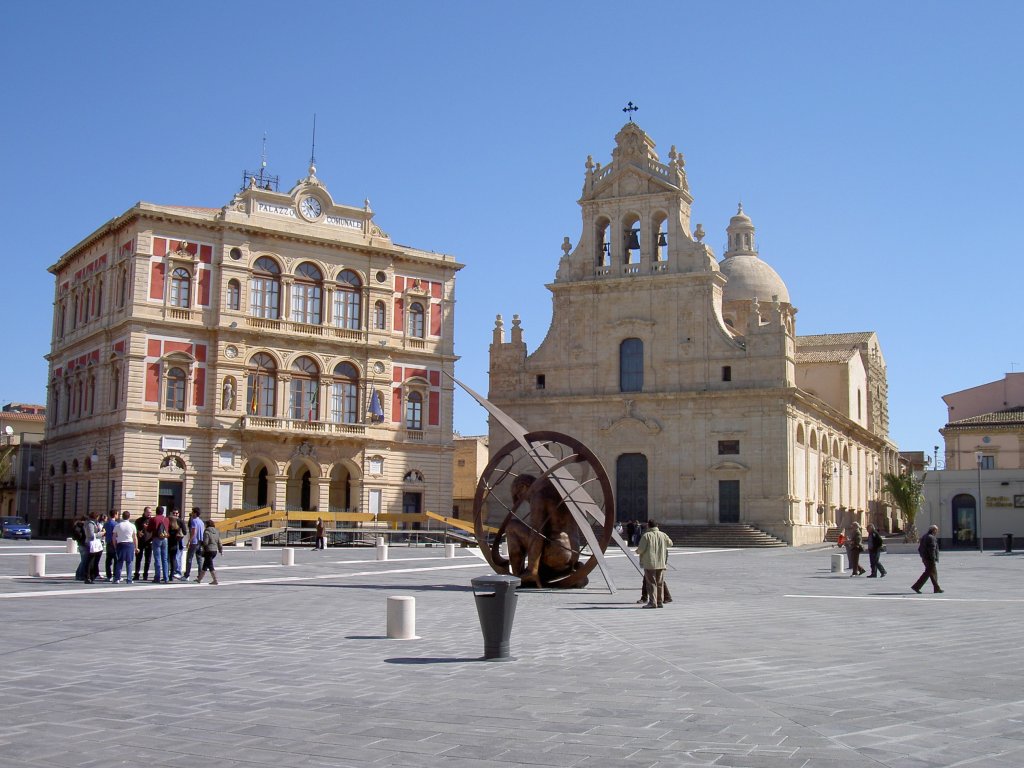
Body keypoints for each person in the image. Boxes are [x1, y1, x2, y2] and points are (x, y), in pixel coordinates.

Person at [636, 520, 673, 608]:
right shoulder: (663, 535)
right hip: (661, 562)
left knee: (651, 583)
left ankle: (653, 602)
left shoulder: (646, 536)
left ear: (648, 526)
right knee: (659, 583)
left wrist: (637, 551)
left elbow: (641, 549)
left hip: (650, 563)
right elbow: (670, 543)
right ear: (656, 525)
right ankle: (659, 602)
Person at [911, 525, 943, 594]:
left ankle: (936, 588)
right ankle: (916, 586)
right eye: (936, 530)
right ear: (933, 530)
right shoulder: (931, 538)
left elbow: (919, 549)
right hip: (930, 559)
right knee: (928, 573)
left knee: (932, 573)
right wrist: (933, 558)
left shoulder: (925, 536)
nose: (937, 532)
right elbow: (932, 549)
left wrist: (922, 556)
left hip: (925, 558)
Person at [113, 511, 138, 584]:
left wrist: (115, 545)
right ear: (129, 517)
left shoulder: (118, 525)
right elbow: (135, 537)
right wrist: (136, 547)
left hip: (120, 544)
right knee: (129, 562)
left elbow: (114, 537)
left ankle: (117, 578)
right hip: (129, 544)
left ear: (122, 516)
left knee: (119, 562)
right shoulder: (132, 525)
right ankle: (129, 579)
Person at [147, 507, 171, 583]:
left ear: (156, 511)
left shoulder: (153, 519)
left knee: (157, 559)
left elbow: (149, 530)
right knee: (165, 559)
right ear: (163, 512)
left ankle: (157, 577)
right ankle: (166, 577)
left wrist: (146, 527)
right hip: (165, 538)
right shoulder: (166, 519)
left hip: (156, 538)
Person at [197, 519, 223, 585]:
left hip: (208, 550)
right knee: (205, 565)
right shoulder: (217, 531)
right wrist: (220, 550)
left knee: (210, 565)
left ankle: (215, 580)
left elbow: (206, 542)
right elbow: (219, 542)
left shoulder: (206, 532)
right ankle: (199, 579)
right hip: (214, 551)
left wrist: (201, 543)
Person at [183, 508, 205, 580]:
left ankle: (186, 575)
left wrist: (189, 540)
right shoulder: (201, 522)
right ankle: (200, 576)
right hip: (200, 541)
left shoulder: (194, 521)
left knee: (189, 558)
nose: (192, 513)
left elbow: (194, 532)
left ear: (195, 513)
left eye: (192, 512)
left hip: (194, 542)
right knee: (199, 560)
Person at [133, 507, 154, 582]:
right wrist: (138, 532)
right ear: (144, 512)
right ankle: (136, 574)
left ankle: (145, 574)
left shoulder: (152, 520)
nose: (149, 514)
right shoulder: (139, 520)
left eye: (150, 512)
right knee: (138, 559)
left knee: (148, 559)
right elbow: (134, 530)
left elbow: (155, 530)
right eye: (148, 512)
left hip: (149, 542)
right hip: (140, 541)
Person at [83, 511, 104, 584]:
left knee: (93, 561)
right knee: (90, 561)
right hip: (91, 544)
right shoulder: (90, 524)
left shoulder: (94, 523)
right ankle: (87, 577)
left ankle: (92, 576)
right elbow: (91, 535)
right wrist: (101, 533)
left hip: (94, 544)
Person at [168, 509, 185, 579]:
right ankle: (172, 573)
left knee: (176, 558)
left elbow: (185, 532)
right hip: (173, 542)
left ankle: (177, 572)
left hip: (177, 542)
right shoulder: (169, 521)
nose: (175, 514)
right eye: (174, 513)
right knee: (173, 559)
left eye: (176, 513)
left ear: (178, 514)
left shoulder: (180, 521)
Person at [72, 515, 89, 581]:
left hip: (79, 544)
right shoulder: (83, 525)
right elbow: (85, 535)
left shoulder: (77, 524)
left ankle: (78, 574)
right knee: (84, 561)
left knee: (83, 560)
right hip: (84, 544)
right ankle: (80, 575)